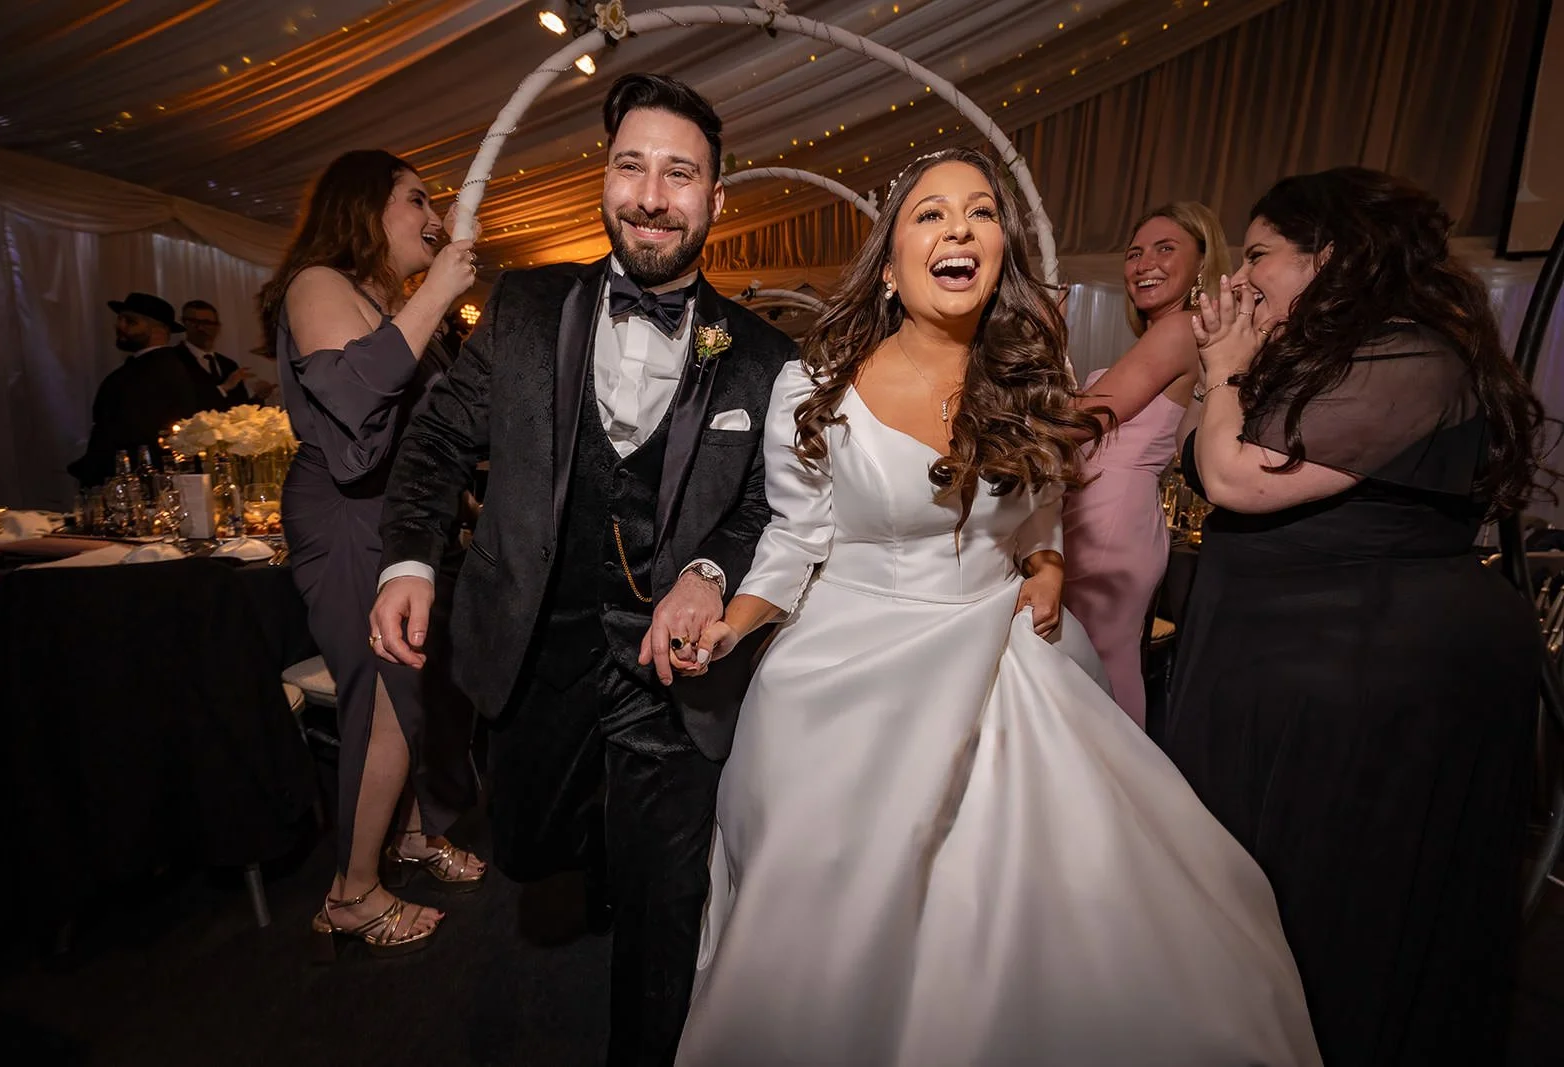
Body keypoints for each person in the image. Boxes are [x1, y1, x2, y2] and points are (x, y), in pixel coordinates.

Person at [673, 148, 1321, 1066]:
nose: (960, 228)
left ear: (1000, 252)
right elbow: (792, 541)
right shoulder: (813, 389)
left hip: (1007, 670)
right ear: (891, 266)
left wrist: (1047, 562)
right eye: (931, 214)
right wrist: (730, 625)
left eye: (980, 212)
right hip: (843, 694)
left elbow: (1042, 503)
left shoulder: (1027, 376)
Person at [370, 73, 796, 1065]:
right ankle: (586, 840)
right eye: (632, 166)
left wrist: (704, 566)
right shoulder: (523, 307)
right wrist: (409, 561)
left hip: (669, 674)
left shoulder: (763, 356)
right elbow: (433, 447)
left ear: (715, 200)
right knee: (524, 841)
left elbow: (763, 502)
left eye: (679, 173)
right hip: (538, 644)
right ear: (602, 180)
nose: (652, 194)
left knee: (664, 902)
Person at [1165, 167, 1549, 1066]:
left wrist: (1222, 370)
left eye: (1258, 253)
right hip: (1289, 666)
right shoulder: (1324, 357)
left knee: (1345, 910)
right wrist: (1232, 373)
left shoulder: (1413, 352)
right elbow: (1212, 449)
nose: (1242, 273)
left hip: (1374, 674)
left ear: (1330, 254)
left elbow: (1233, 477)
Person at [258, 149, 486, 959]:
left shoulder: (392, 305)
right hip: (349, 516)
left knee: (429, 688)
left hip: (407, 522)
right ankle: (351, 893)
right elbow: (356, 409)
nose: (434, 214)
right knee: (386, 693)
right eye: (417, 199)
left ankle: (419, 834)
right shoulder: (319, 284)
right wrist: (431, 298)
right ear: (365, 207)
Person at [1061, 202, 1229, 726]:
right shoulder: (1175, 335)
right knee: (1093, 663)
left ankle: (1115, 786)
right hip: (1105, 511)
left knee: (1093, 669)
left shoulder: (1180, 329)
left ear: (1202, 264)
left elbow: (1078, 421)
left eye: (1165, 249)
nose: (1144, 263)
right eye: (1134, 253)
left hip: (1110, 519)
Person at [68, 292, 201, 486]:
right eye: (119, 320)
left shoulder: (160, 369)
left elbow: (131, 431)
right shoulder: (150, 366)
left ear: (159, 330)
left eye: (130, 322)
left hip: (139, 481)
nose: (120, 326)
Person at [178, 299, 266, 406]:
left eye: (207, 323)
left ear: (217, 327)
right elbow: (181, 405)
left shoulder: (228, 365)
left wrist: (259, 397)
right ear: (184, 323)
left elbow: (239, 409)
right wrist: (224, 387)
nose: (200, 328)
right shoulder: (172, 361)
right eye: (193, 322)